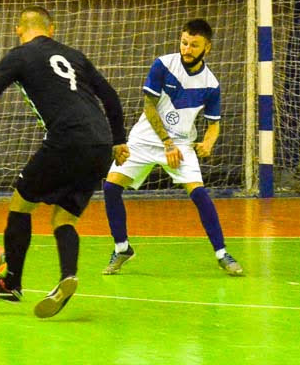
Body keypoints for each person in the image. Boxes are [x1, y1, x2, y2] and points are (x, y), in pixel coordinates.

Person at [0, 6, 129, 318]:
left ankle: (11, 283)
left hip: (66, 141)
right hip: (99, 144)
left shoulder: (19, 56)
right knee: (64, 219)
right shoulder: (74, 56)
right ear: (52, 29)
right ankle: (67, 276)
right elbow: (110, 96)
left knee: (20, 204)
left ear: (19, 29)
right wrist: (118, 140)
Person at [100, 18, 243, 276]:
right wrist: (167, 143)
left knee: (199, 195)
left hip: (181, 144)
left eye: (193, 45)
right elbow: (149, 106)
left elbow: (213, 125)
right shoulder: (164, 65)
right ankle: (122, 248)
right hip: (146, 139)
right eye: (184, 42)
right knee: (111, 188)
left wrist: (209, 143)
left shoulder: (211, 85)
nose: (186, 49)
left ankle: (222, 254)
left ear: (207, 48)